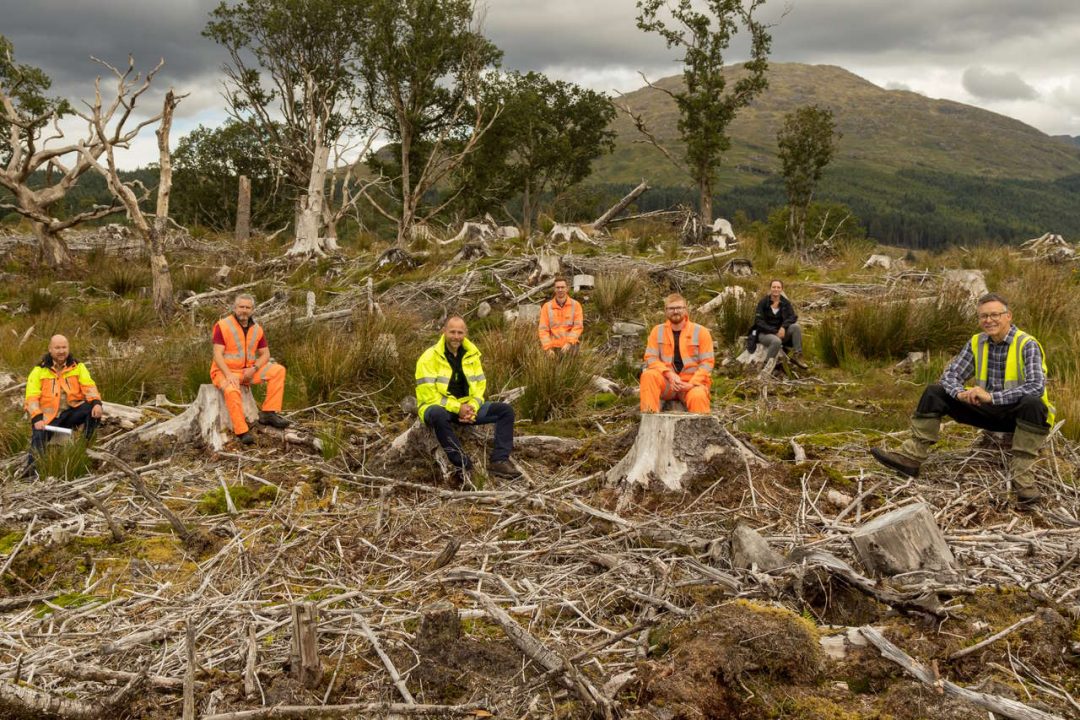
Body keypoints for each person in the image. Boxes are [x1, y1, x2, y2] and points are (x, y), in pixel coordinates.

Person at [870, 293, 1054, 506]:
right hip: (987, 411)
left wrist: (992, 397)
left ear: (1008, 316)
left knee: (1032, 402)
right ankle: (911, 457)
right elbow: (950, 375)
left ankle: (1023, 481)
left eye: (994, 315)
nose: (988, 320)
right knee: (935, 392)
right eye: (983, 316)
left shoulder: (1027, 344)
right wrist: (959, 392)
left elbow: (1036, 387)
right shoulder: (977, 342)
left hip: (1020, 417)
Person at [415, 316, 522, 480]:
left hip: (466, 407)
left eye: (460, 332)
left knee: (505, 411)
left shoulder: (472, 355)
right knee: (438, 414)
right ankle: (463, 465)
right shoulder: (428, 357)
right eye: (452, 332)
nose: (456, 336)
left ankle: (499, 461)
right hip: (439, 408)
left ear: (465, 333)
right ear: (444, 331)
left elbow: (480, 387)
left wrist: (471, 407)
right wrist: (458, 408)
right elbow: (428, 396)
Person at [210, 294, 290, 445]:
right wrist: (228, 375)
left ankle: (268, 413)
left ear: (252, 310)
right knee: (232, 390)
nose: (244, 311)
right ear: (235, 308)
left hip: (248, 372)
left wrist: (254, 368)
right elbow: (217, 354)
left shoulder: (257, 329)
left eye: (247, 307)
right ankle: (242, 431)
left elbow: (266, 354)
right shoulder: (223, 325)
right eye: (241, 307)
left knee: (278, 370)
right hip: (224, 372)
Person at [21, 335, 103, 479]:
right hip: (48, 417)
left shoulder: (78, 367)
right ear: (50, 349)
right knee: (38, 436)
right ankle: (31, 474)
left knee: (94, 409)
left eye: (64, 347)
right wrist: (36, 417)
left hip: (71, 413)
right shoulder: (39, 370)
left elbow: (88, 385)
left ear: (68, 348)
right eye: (57, 348)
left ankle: (84, 446)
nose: (61, 351)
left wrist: (96, 402)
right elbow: (31, 396)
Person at [640, 293, 714, 413]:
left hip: (691, 384)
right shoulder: (657, 331)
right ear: (665, 311)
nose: (675, 311)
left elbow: (707, 364)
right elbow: (651, 358)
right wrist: (669, 374)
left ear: (685, 310)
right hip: (668, 384)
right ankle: (649, 419)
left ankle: (701, 430)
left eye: (679, 308)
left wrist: (691, 384)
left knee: (698, 396)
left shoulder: (701, 332)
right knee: (648, 375)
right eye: (671, 308)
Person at [751, 279, 808, 369]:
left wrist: (783, 327)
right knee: (776, 341)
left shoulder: (785, 303)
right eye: (774, 287)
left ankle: (797, 355)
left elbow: (793, 317)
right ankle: (767, 365)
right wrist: (774, 331)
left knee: (795, 327)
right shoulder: (763, 303)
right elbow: (759, 322)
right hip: (765, 334)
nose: (776, 289)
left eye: (778, 287)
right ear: (770, 288)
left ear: (781, 289)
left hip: (781, 333)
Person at [538, 276, 583, 355]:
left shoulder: (576, 305)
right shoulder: (546, 307)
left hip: (570, 345)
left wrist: (569, 343)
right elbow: (543, 330)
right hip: (553, 346)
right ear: (554, 289)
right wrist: (548, 348)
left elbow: (578, 327)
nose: (560, 290)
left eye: (562, 287)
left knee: (570, 364)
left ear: (567, 288)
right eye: (557, 287)